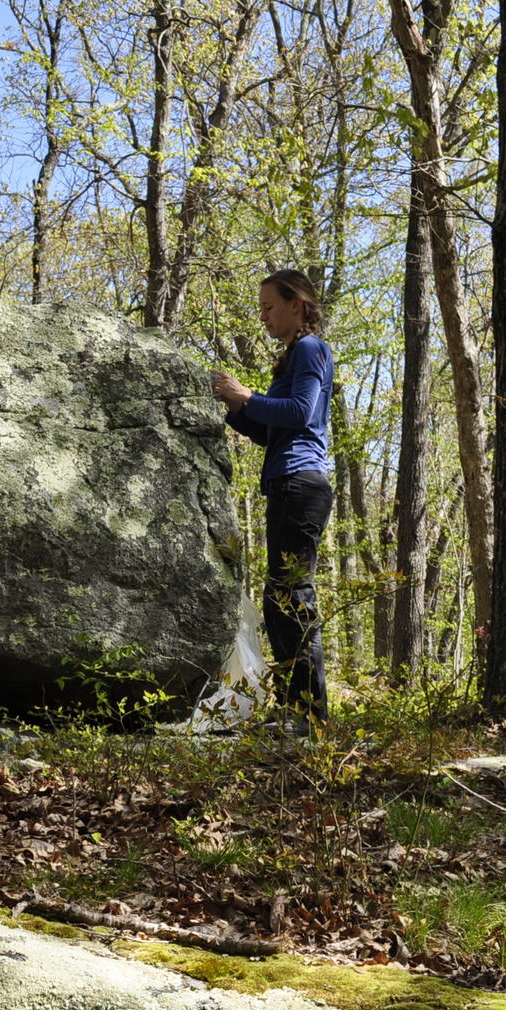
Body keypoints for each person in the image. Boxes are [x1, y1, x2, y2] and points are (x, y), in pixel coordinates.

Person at [210, 269, 333, 733]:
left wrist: (248, 395)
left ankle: (308, 717)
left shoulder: (310, 348)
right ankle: (294, 711)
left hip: (302, 485)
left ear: (296, 304)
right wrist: (236, 407)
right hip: (288, 484)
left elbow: (300, 413)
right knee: (280, 598)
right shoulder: (294, 355)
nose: (263, 316)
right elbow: (270, 431)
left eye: (269, 306)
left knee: (292, 598)